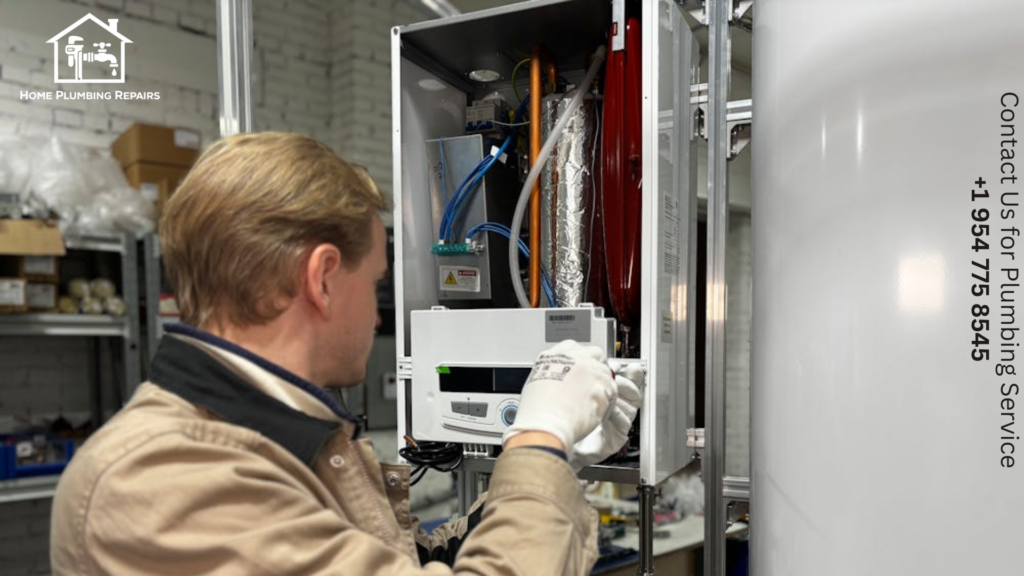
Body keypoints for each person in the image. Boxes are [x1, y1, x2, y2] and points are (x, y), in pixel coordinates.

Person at [50, 132, 643, 576]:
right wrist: (537, 438)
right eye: (375, 282)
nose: (379, 315)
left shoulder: (289, 437)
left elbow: (404, 560)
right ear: (324, 278)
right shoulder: (159, 479)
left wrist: (561, 457)